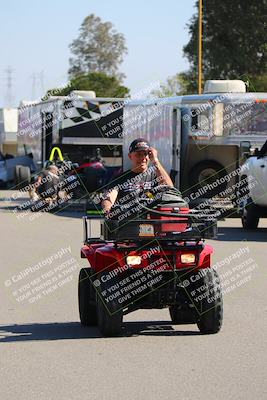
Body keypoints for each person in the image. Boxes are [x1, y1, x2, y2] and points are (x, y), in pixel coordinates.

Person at [101, 138, 173, 219]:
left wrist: (155, 161)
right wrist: (107, 208)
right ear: (130, 156)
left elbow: (170, 189)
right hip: (128, 224)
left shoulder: (156, 176)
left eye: (145, 154)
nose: (142, 158)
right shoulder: (120, 179)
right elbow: (109, 198)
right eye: (138, 154)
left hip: (153, 223)